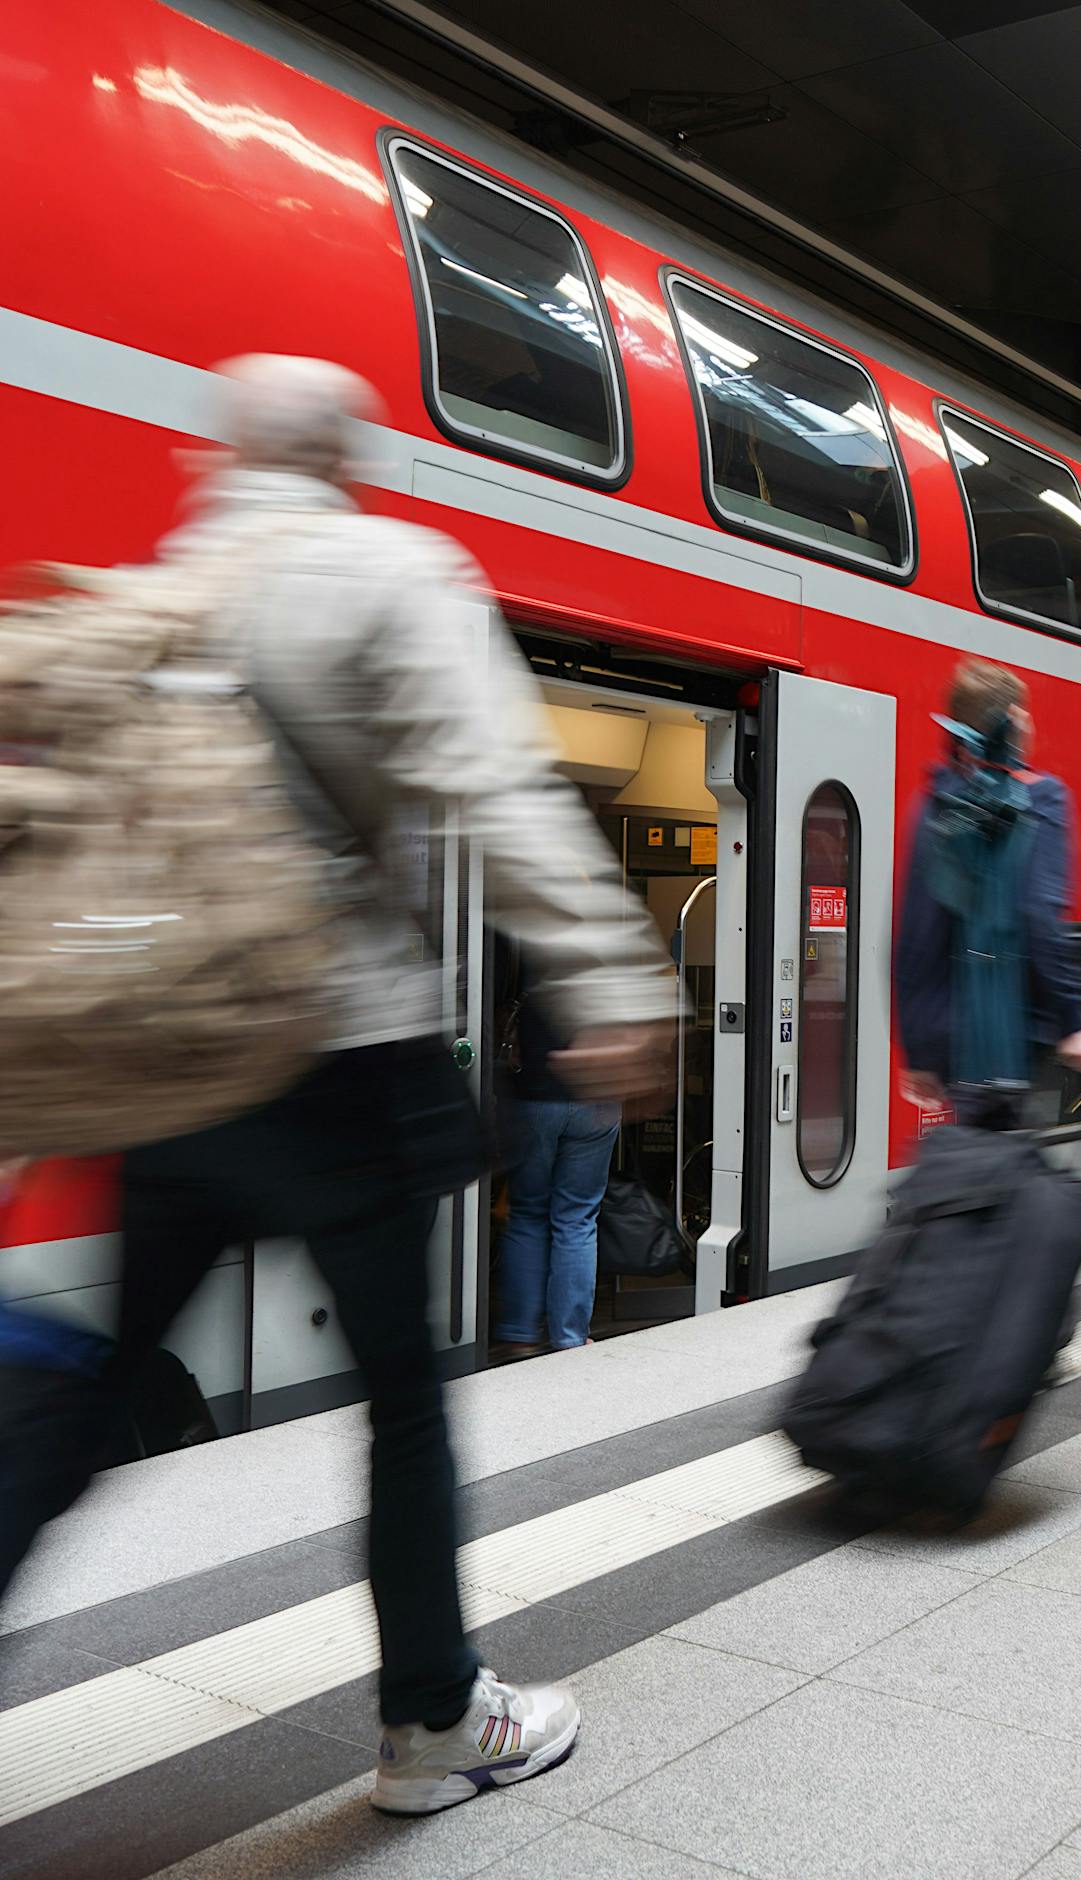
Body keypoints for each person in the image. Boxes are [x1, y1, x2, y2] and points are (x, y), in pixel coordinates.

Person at [0, 357, 678, 1816]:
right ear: (350, 454)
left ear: (224, 455)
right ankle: (434, 1723)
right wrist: (617, 978)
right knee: (407, 1401)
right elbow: (492, 785)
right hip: (338, 1049)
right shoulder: (390, 566)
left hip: (174, 1064)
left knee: (94, 1395)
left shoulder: (168, 586)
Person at [894, 656, 1081, 1125]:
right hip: (1009, 1039)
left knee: (975, 1167)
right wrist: (1077, 1025)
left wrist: (919, 1047)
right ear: (1014, 722)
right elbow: (1039, 915)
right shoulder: (1041, 797)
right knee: (1007, 1177)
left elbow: (913, 935)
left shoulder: (934, 800)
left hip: (948, 1042)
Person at [492, 950, 622, 1356]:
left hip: (535, 1099)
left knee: (528, 1213)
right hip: (596, 1102)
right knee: (577, 1217)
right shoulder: (611, 955)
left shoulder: (528, 950)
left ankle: (519, 1332)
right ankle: (569, 1336)